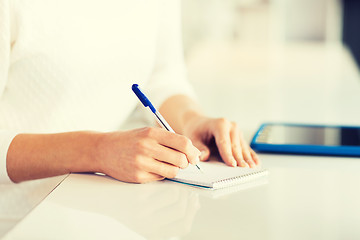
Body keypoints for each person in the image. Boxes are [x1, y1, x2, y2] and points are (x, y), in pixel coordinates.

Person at [0, 0, 259, 184]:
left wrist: (190, 119)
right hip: (20, 221)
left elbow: (162, 77)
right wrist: (95, 151)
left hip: (116, 206)